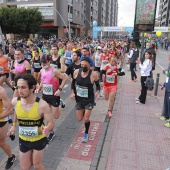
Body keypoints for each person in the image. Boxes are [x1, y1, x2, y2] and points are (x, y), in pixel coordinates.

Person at [9, 74, 54, 170]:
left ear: (32, 88)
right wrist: (13, 125)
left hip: (38, 140)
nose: (20, 90)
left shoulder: (42, 105)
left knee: (37, 166)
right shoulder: (15, 101)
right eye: (18, 87)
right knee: (25, 167)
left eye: (23, 87)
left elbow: (50, 123)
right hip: (23, 140)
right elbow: (17, 112)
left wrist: (47, 128)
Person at [36, 54, 67, 142]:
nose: (43, 64)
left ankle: (60, 103)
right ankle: (51, 132)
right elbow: (42, 81)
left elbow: (64, 78)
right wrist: (39, 88)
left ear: (49, 62)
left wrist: (60, 90)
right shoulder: (41, 71)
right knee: (45, 115)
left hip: (54, 96)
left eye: (45, 62)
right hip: (45, 96)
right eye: (42, 63)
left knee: (56, 116)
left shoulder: (54, 71)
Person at [71, 57, 100, 142]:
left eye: (85, 65)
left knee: (86, 119)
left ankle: (86, 133)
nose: (83, 66)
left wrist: (98, 91)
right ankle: (84, 111)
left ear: (89, 65)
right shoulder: (76, 72)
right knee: (80, 118)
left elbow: (98, 85)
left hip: (89, 100)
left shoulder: (93, 74)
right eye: (82, 65)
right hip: (79, 99)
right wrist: (72, 92)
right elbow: (73, 83)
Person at [0, 86, 16, 169]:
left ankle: (11, 157)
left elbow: (10, 110)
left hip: (2, 120)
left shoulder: (1, 91)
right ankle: (9, 133)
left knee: (1, 142)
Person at [160, 55, 170, 127]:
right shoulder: (169, 66)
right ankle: (167, 115)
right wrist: (164, 84)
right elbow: (168, 77)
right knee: (166, 102)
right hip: (168, 87)